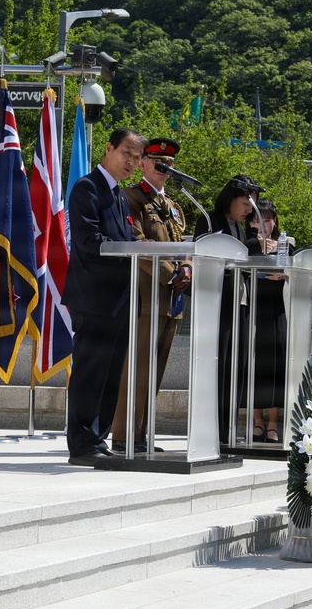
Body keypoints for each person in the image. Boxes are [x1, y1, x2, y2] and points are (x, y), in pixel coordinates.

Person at [62, 127, 148, 466]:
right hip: (95, 298)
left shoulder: (119, 195)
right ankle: (81, 443)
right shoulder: (88, 188)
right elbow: (88, 240)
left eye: (138, 157)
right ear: (109, 148)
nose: (131, 161)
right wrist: (134, 248)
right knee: (91, 372)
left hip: (121, 300)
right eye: (127, 152)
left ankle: (98, 439)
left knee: (111, 374)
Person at [110, 138, 192, 454]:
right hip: (146, 298)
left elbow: (184, 244)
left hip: (172, 301)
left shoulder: (174, 206)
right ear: (143, 164)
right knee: (138, 369)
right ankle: (124, 435)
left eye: (169, 165)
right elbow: (138, 246)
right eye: (158, 163)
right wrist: (173, 273)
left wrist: (187, 269)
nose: (164, 169)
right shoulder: (130, 198)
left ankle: (142, 434)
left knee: (155, 371)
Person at [192, 175, 274, 444]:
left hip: (241, 302)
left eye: (251, 207)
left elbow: (244, 257)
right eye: (245, 204)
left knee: (236, 368)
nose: (249, 211)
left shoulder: (240, 228)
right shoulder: (209, 220)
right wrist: (254, 246)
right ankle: (213, 428)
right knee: (221, 366)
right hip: (218, 303)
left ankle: (228, 430)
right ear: (231, 199)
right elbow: (211, 253)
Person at [245, 198, 289, 443]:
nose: (263, 224)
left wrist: (284, 275)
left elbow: (295, 274)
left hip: (276, 311)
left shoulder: (284, 245)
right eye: (257, 219)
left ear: (274, 221)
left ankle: (273, 423)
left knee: (274, 367)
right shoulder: (248, 245)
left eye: (267, 219)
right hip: (252, 309)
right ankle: (257, 422)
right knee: (254, 366)